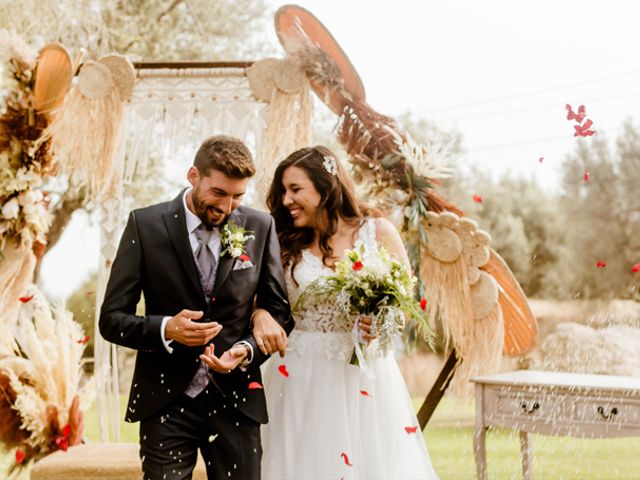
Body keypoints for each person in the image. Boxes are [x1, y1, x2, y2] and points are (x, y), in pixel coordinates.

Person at [99, 135, 293, 480]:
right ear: (193, 176)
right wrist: (165, 329)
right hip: (166, 402)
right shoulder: (145, 226)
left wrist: (245, 350)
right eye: (218, 193)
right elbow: (112, 320)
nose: (227, 207)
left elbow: (279, 313)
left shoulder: (259, 227)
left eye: (238, 196)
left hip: (237, 399)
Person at [259, 146, 439, 479]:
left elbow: (404, 304)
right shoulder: (283, 241)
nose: (286, 200)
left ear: (326, 186)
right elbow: (263, 302)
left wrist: (380, 323)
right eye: (283, 191)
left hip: (362, 372)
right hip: (297, 372)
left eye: (296, 189)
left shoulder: (377, 232)